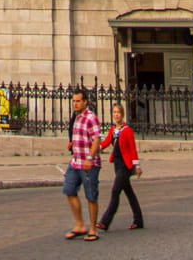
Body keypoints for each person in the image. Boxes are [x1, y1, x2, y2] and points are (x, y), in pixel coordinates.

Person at [97, 103, 144, 231]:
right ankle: (138, 220)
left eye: (118, 112)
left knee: (115, 191)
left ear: (122, 114)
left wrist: (137, 166)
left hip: (126, 164)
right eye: (114, 112)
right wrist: (97, 148)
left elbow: (133, 149)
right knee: (129, 192)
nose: (116, 114)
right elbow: (106, 141)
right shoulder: (113, 129)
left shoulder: (127, 130)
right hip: (117, 163)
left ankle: (105, 221)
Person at [62, 89, 101, 241]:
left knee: (91, 196)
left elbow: (96, 139)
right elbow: (78, 135)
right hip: (76, 161)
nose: (75, 104)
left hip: (89, 163)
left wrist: (90, 158)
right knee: (69, 190)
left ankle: (93, 229)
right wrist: (71, 144)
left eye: (78, 101)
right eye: (74, 101)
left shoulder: (91, 117)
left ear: (85, 102)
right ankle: (79, 225)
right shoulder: (76, 117)